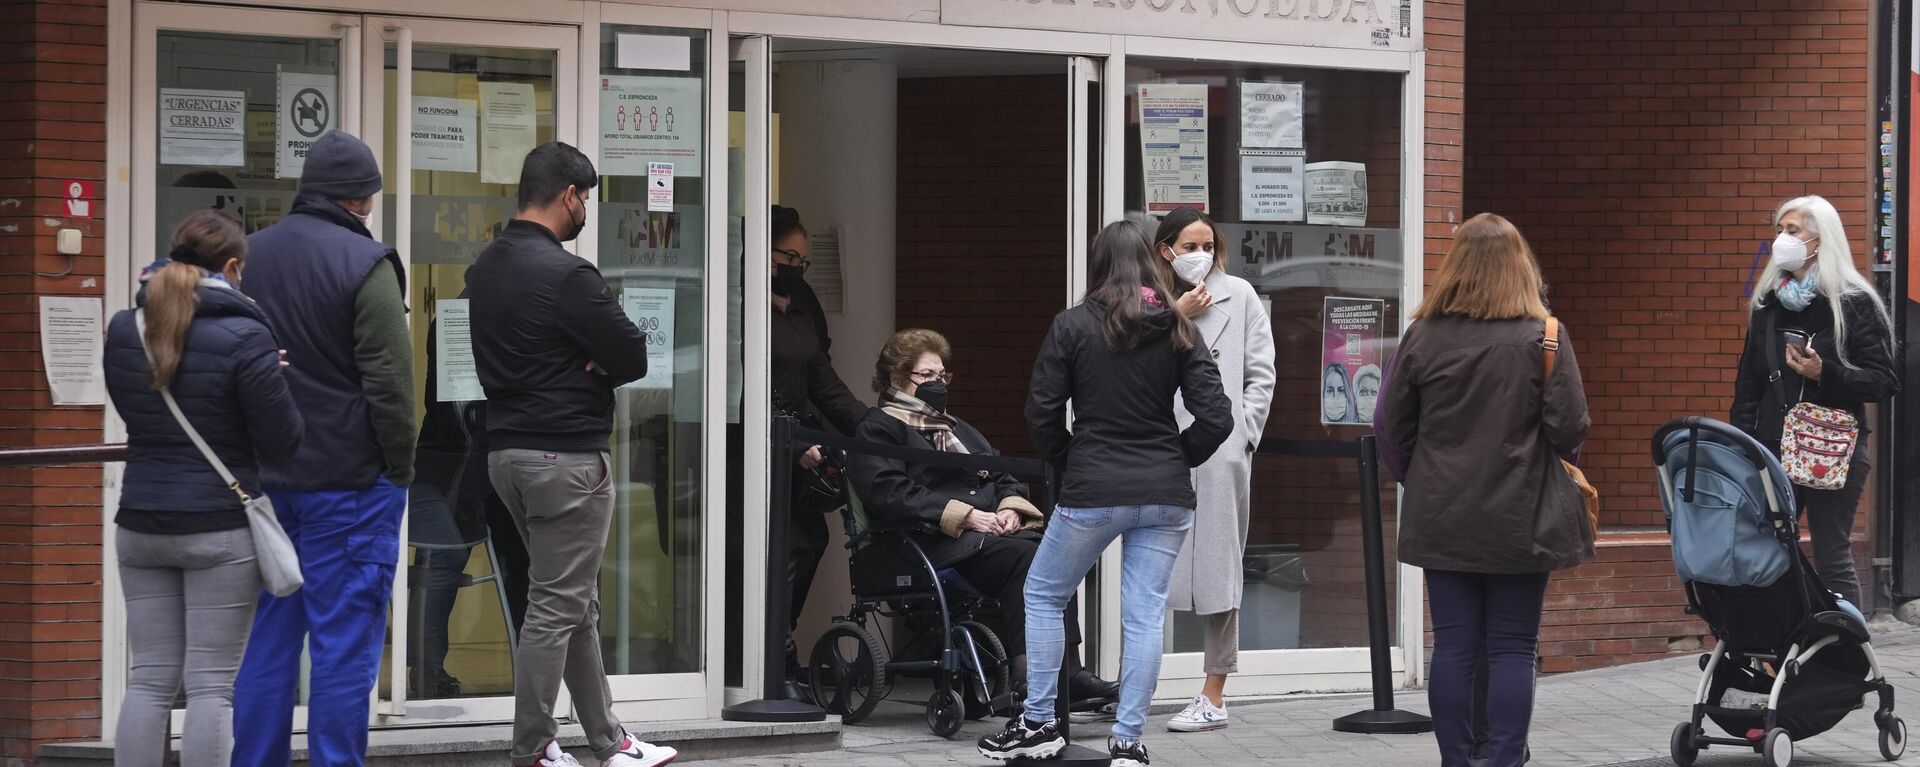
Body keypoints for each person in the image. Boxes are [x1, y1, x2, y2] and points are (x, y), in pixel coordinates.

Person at [979, 221, 1233, 767]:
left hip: (1093, 487)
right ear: (1150, 262)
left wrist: (1071, 460)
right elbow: (1217, 416)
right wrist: (1176, 457)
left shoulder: (1071, 325)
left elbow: (1040, 414)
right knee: (1143, 617)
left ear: (1098, 265)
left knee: (1044, 595)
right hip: (1165, 493)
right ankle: (1127, 742)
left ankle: (1040, 722)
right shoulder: (1178, 327)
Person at [468, 142, 677, 767]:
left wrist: (578, 361)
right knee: (556, 606)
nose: (584, 209)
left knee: (571, 599)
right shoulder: (567, 274)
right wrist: (589, 364)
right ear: (568, 196)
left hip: (507, 455)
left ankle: (610, 741)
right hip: (565, 458)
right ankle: (533, 747)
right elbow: (633, 355)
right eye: (584, 198)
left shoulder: (485, 267)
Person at [1375, 212, 1593, 767]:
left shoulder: (1422, 335)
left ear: (1455, 266)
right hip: (1522, 516)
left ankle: (1456, 760)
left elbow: (1390, 429)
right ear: (1522, 266)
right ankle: (1503, 759)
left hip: (1442, 513)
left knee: (1453, 647)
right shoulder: (1544, 335)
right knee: (1514, 648)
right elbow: (1569, 429)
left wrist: (1421, 480)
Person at [233, 129, 417, 767]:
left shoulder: (248, 257)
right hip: (351, 484)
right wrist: (400, 469)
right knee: (343, 643)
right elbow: (391, 385)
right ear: (364, 198)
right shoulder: (366, 264)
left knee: (268, 639)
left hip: (266, 485)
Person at [103, 210, 303, 767]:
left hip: (139, 522)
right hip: (218, 528)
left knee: (149, 681)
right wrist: (271, 377)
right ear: (232, 266)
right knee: (212, 688)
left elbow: (135, 413)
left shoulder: (125, 328)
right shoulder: (247, 333)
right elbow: (283, 442)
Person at [848, 329, 1118, 703]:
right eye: (926, 375)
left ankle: (1068, 672)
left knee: (1056, 552)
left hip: (982, 539)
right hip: (925, 542)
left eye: (942, 375)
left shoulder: (958, 428)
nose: (938, 383)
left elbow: (1002, 474)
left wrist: (1009, 509)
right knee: (1029, 559)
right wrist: (966, 516)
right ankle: (1033, 679)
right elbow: (888, 493)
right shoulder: (878, 427)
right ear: (896, 380)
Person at [1730, 195, 1898, 608]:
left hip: (1831, 449)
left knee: (1831, 553)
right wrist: (1742, 447)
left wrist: (1826, 374)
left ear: (1819, 240)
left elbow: (1883, 381)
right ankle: (1778, 646)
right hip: (1771, 446)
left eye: (1792, 231)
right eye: (1779, 230)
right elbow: (1748, 387)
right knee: (1765, 547)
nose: (1781, 240)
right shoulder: (1768, 305)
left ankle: (1848, 657)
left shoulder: (1853, 302)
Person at [1150, 207, 1276, 733]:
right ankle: (1137, 682)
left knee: (1221, 565)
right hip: (1159, 445)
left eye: (1209, 245)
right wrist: (1175, 312)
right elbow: (1132, 362)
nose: (1201, 255)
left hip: (1221, 448)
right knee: (1151, 563)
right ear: (1167, 250)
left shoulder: (1241, 295)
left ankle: (1214, 692)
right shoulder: (1152, 301)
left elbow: (1260, 372)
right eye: (1190, 245)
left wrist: (1243, 433)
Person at [767, 205, 871, 693]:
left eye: (802, 260)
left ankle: (778, 645)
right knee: (775, 549)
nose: (795, 267)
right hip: (752, 450)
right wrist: (791, 443)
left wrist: (871, 424)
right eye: (787, 256)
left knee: (810, 541)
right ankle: (769, 660)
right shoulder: (738, 298)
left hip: (796, 443)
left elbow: (821, 378)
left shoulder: (801, 300)